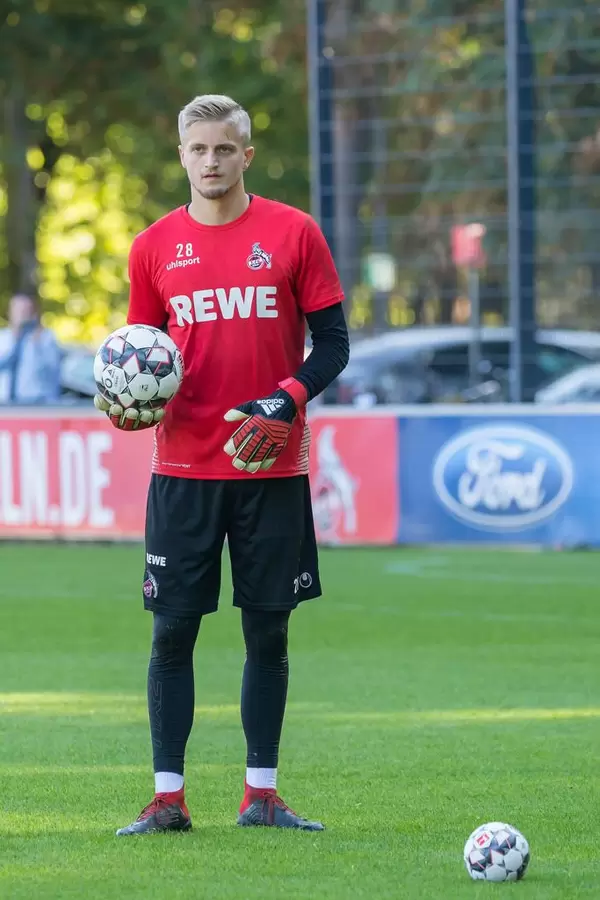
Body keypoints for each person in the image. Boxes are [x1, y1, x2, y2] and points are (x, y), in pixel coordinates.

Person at [94, 94, 349, 835]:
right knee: (172, 633)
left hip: (270, 471)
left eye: (224, 149)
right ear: (181, 156)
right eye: (198, 149)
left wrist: (287, 398)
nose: (211, 161)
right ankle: (167, 800)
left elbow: (332, 344)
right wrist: (125, 403)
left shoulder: (294, 233)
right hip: (182, 472)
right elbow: (142, 361)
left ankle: (261, 796)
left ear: (246, 154)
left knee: (269, 633)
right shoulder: (152, 248)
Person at [0, 293, 62, 404]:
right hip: (5, 406)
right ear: (10, 312)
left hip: (35, 404)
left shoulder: (44, 337)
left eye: (26, 310)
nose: (22, 314)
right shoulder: (3, 337)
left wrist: (37, 346)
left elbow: (53, 372)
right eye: (18, 310)